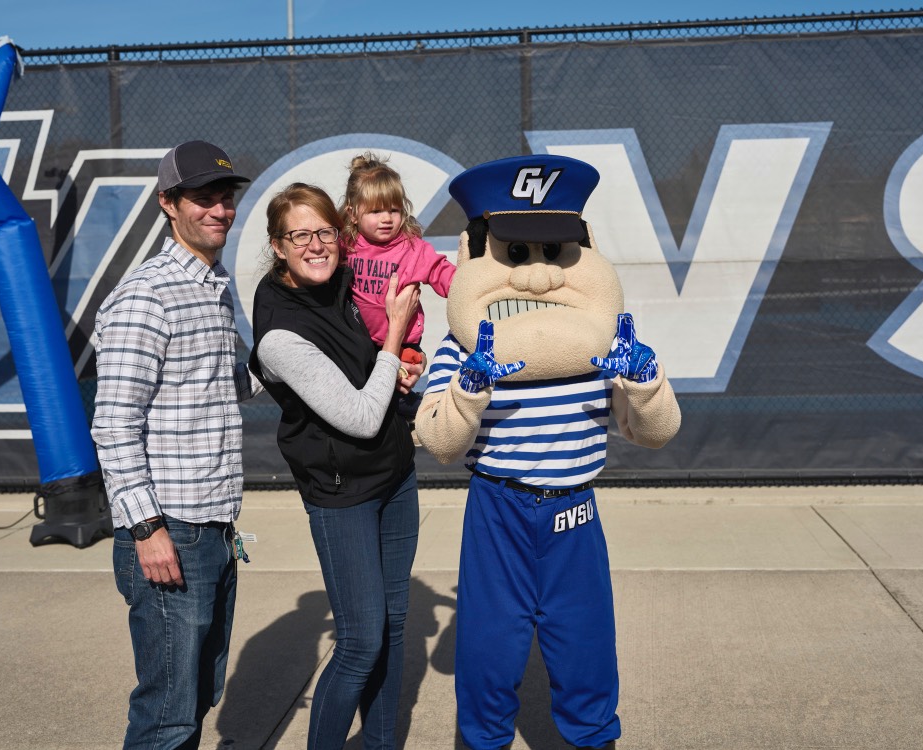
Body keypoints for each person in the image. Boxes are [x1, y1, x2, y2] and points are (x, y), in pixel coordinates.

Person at [415, 155, 682, 750]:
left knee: (586, 650)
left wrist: (644, 386)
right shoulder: (460, 351)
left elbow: (654, 430)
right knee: (487, 653)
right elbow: (438, 442)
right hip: (497, 512)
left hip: (575, 516)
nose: (537, 277)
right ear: (472, 252)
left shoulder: (609, 347)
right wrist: (469, 393)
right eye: (514, 254)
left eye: (555, 252)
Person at [91, 140, 261, 748]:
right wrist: (147, 530)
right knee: (168, 712)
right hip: (172, 531)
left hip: (212, 527)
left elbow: (219, 385)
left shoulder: (210, 286)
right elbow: (113, 423)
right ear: (168, 203)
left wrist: (296, 349)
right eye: (203, 198)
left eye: (225, 197)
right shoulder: (149, 295)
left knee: (197, 694)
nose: (219, 209)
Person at [248, 182, 423, 750]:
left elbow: (375, 377)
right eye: (301, 235)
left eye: (326, 232)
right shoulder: (279, 334)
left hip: (396, 477)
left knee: (395, 629)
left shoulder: (349, 279)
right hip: (343, 494)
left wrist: (401, 369)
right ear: (278, 246)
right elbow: (359, 417)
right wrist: (396, 335)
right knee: (359, 642)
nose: (317, 245)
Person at [340, 152, 455, 418]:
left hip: (404, 341)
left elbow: (442, 272)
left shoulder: (412, 248)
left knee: (401, 380)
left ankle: (410, 412)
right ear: (353, 214)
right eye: (376, 211)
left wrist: (468, 287)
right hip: (359, 340)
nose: (386, 218)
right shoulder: (345, 247)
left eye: (394, 210)